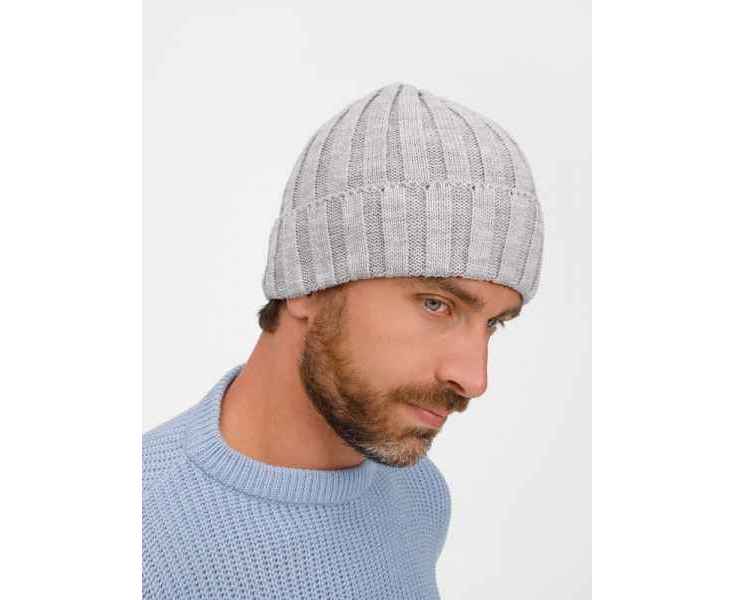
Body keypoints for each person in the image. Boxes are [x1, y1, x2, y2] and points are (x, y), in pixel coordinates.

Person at [142, 81, 544, 599]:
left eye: (493, 324)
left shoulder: (417, 495)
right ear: (308, 284)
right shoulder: (144, 526)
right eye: (435, 304)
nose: (473, 378)